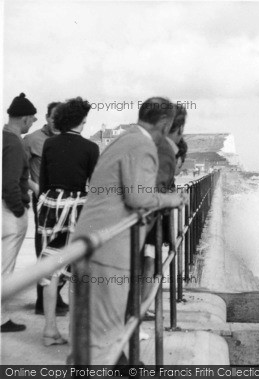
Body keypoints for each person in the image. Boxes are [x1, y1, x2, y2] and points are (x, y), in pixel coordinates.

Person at [69, 97, 186, 364]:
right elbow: (138, 197)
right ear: (166, 123)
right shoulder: (143, 144)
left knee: (84, 328)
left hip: (89, 238)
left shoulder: (123, 139)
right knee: (106, 333)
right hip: (110, 248)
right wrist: (173, 199)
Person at [37, 97, 99, 346]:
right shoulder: (91, 148)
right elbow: (95, 187)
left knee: (50, 269)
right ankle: (77, 334)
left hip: (51, 206)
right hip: (77, 208)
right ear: (83, 121)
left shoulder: (50, 144)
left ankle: (50, 330)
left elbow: (43, 181)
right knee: (77, 269)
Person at [139, 104, 186, 332]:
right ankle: (142, 307)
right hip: (147, 224)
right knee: (151, 262)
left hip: (140, 222)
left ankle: (141, 306)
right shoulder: (165, 151)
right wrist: (173, 200)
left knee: (150, 262)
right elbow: (150, 196)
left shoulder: (142, 144)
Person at [23, 101, 70, 316]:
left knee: (63, 249)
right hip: (43, 201)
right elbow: (18, 173)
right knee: (44, 248)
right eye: (53, 117)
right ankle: (43, 300)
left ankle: (55, 294)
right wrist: (36, 190)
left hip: (65, 201)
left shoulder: (66, 139)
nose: (56, 121)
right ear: (46, 117)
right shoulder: (31, 140)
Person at [2, 93, 37, 333]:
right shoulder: (14, 143)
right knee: (5, 269)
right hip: (10, 212)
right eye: (32, 120)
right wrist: (19, 209)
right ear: (24, 119)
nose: (33, 123)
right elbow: (10, 183)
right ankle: (1, 318)